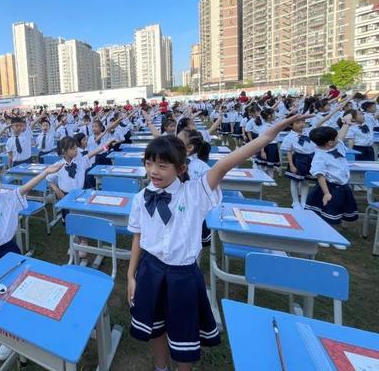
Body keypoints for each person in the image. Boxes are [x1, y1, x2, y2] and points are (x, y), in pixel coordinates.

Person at [126, 113, 309, 371]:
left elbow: (225, 164)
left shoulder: (196, 192)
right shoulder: (140, 198)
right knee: (154, 327)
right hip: (150, 269)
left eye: (162, 166)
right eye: (149, 163)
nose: (154, 171)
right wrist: (131, 275)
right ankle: (160, 367)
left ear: (180, 169)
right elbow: (138, 237)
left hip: (183, 275)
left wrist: (267, 136)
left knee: (183, 333)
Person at [0, 161, 62, 362]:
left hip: (8, 252)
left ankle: (12, 335)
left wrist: (45, 173)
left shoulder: (7, 198)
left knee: (13, 292)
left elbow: (25, 189)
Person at [305, 115, 358, 226]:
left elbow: (341, 136)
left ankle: (332, 233)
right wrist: (326, 193)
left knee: (337, 211)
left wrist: (346, 124)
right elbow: (320, 176)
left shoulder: (336, 146)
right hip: (330, 188)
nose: (338, 139)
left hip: (342, 186)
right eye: (335, 138)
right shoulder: (319, 156)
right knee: (328, 212)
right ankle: (325, 235)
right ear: (329, 142)